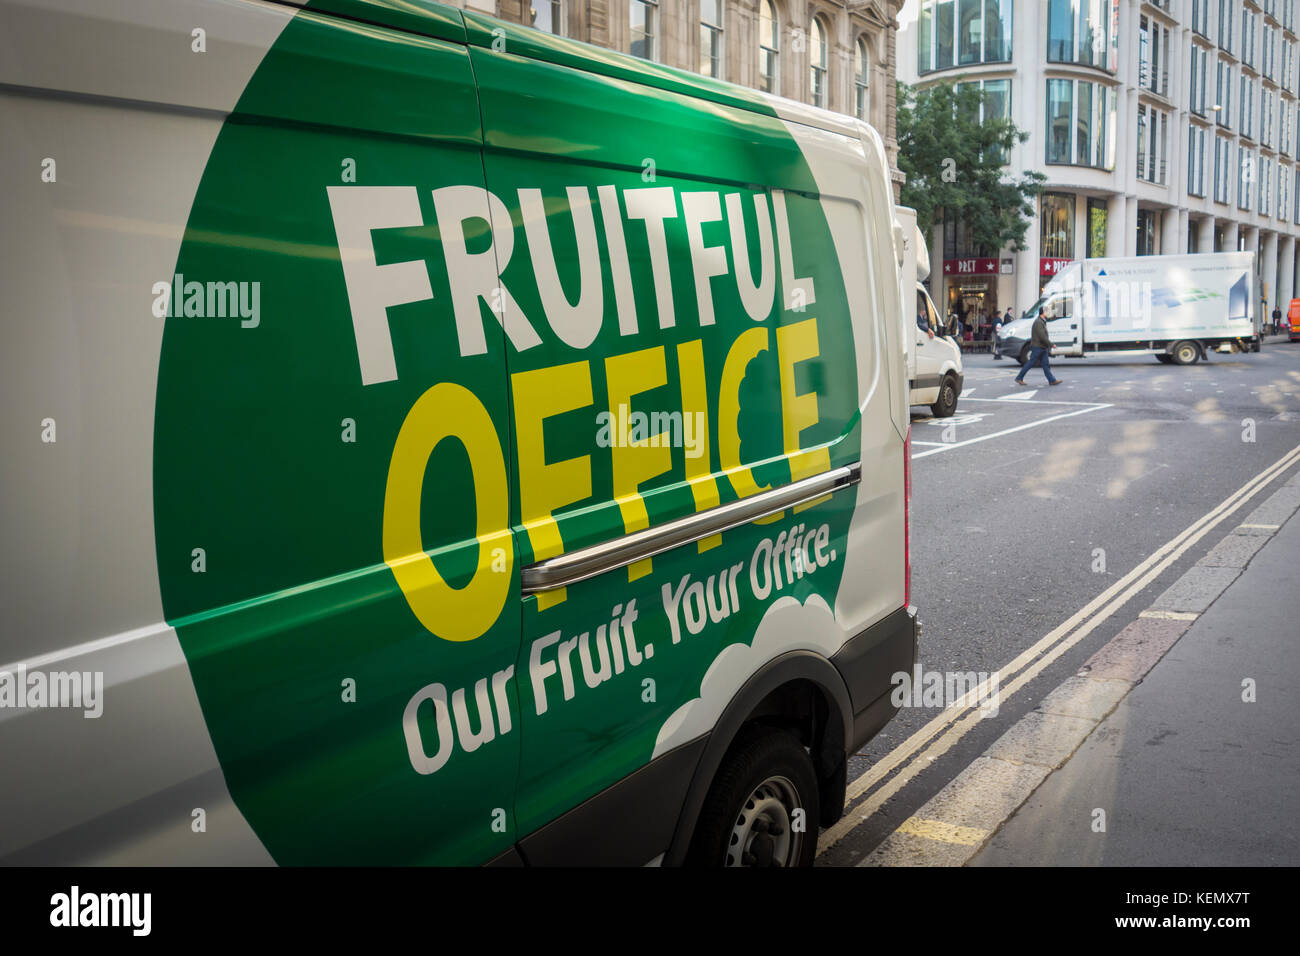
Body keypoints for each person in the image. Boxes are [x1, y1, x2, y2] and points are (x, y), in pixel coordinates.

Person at [1015, 310, 1062, 386]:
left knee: (1045, 365)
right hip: (1038, 347)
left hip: (1042, 347)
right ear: (1043, 313)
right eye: (1046, 311)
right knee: (1031, 363)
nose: (1048, 313)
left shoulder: (1042, 321)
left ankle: (1052, 380)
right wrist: (1051, 344)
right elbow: (1042, 336)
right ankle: (1019, 377)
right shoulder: (1038, 322)